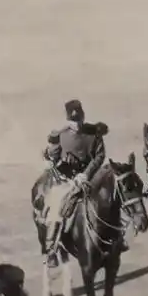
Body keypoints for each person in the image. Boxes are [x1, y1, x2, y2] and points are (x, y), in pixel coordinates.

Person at [41, 99, 114, 265]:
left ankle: (115, 238)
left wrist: (86, 174)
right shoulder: (59, 135)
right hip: (68, 181)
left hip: (91, 177)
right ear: (68, 120)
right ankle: (51, 248)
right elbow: (52, 156)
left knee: (109, 197)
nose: (77, 124)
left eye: (79, 119)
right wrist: (51, 160)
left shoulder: (94, 133)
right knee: (57, 206)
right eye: (73, 121)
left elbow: (100, 156)